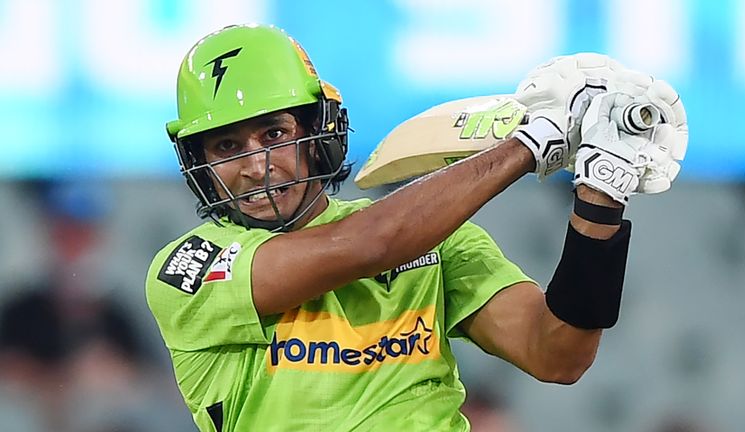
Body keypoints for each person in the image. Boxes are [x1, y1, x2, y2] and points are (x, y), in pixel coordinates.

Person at [146, 24, 687, 431]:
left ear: (316, 132)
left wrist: (601, 196)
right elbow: (369, 245)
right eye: (226, 146)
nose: (255, 165)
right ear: (199, 163)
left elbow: (557, 354)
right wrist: (530, 144)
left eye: (274, 134)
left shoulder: (436, 240)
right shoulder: (186, 272)